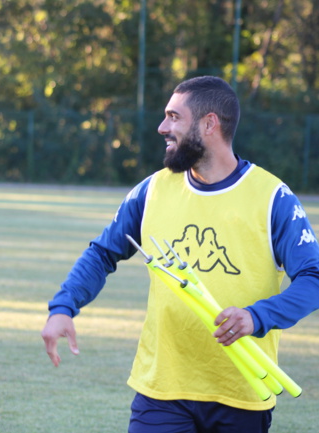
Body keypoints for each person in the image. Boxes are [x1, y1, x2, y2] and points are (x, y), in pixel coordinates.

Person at [41, 75, 319, 432]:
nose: (162, 127)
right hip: (162, 390)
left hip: (242, 392)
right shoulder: (152, 190)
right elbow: (102, 253)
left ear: (209, 124)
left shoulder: (272, 198)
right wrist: (64, 306)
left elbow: (313, 278)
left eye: (174, 117)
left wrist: (256, 316)